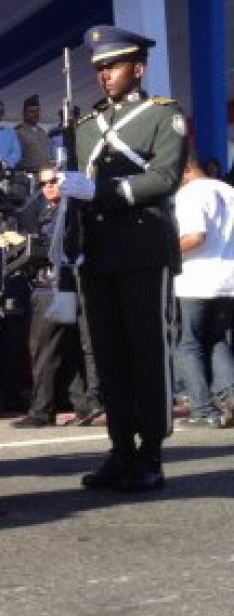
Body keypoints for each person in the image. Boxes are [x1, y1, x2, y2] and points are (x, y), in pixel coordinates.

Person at [58, 25, 187, 493]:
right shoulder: (86, 125)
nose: (104, 76)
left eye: (112, 66)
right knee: (108, 356)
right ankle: (121, 448)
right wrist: (64, 188)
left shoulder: (162, 116)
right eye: (99, 69)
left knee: (146, 351)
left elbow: (164, 178)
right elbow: (77, 185)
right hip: (98, 252)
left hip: (142, 245)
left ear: (138, 67)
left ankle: (151, 453)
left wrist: (101, 191)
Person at [9, 165, 102, 428]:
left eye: (54, 181)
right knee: (66, 350)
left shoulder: (72, 210)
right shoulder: (49, 211)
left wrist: (24, 244)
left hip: (56, 288)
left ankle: (42, 410)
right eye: (43, 184)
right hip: (55, 286)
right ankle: (83, 404)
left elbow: (60, 248)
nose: (48, 187)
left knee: (46, 350)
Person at [171, 154, 234, 428]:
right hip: (227, 278)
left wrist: (165, 253)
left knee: (187, 344)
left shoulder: (190, 195)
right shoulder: (227, 190)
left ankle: (202, 409)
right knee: (218, 340)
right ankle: (229, 396)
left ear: (184, 170)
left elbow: (195, 236)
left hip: (195, 278)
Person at [13, 95, 50, 173]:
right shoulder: (18, 132)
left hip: (45, 174)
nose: (35, 114)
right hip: (27, 174)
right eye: (32, 112)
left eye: (37, 111)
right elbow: (15, 158)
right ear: (24, 113)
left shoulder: (42, 132)